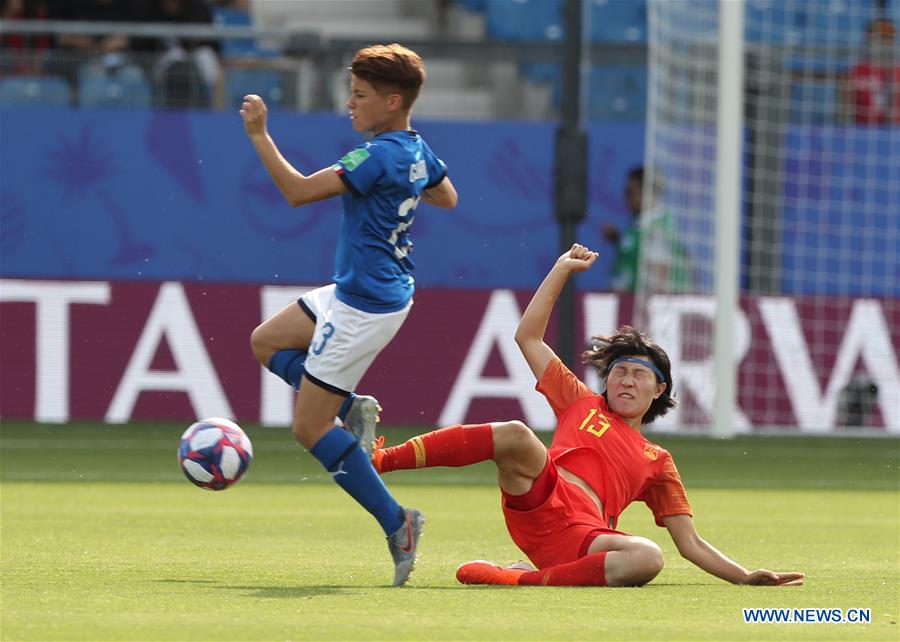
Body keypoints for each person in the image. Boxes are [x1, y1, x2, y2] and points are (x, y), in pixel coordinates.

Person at [370, 243, 804, 588]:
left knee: (649, 556)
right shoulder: (581, 402)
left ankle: (520, 577)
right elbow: (528, 337)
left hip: (585, 538)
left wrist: (744, 576)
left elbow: (689, 544)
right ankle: (379, 461)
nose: (626, 382)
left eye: (639, 375)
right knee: (517, 434)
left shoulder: (658, 460)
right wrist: (561, 269)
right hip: (540, 497)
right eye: (619, 373)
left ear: (660, 390)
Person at [240, 43, 458, 586]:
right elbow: (447, 196)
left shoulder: (376, 155)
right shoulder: (414, 149)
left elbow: (295, 193)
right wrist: (402, 193)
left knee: (309, 427)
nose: (350, 104)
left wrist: (260, 136)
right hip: (363, 289)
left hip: (364, 304)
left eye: (359, 95)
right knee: (266, 342)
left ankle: (398, 522)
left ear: (391, 100)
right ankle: (353, 404)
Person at [602, 166, 692, 294]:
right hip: (627, 301)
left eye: (629, 191)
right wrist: (617, 240)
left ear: (646, 192)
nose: (626, 197)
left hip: (644, 307)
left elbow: (659, 280)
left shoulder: (659, 229)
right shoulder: (640, 222)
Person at [845, 18, 899, 125]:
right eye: (879, 37)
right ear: (869, 40)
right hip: (862, 132)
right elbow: (844, 109)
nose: (884, 43)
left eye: (888, 37)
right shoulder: (856, 70)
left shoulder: (897, 70)